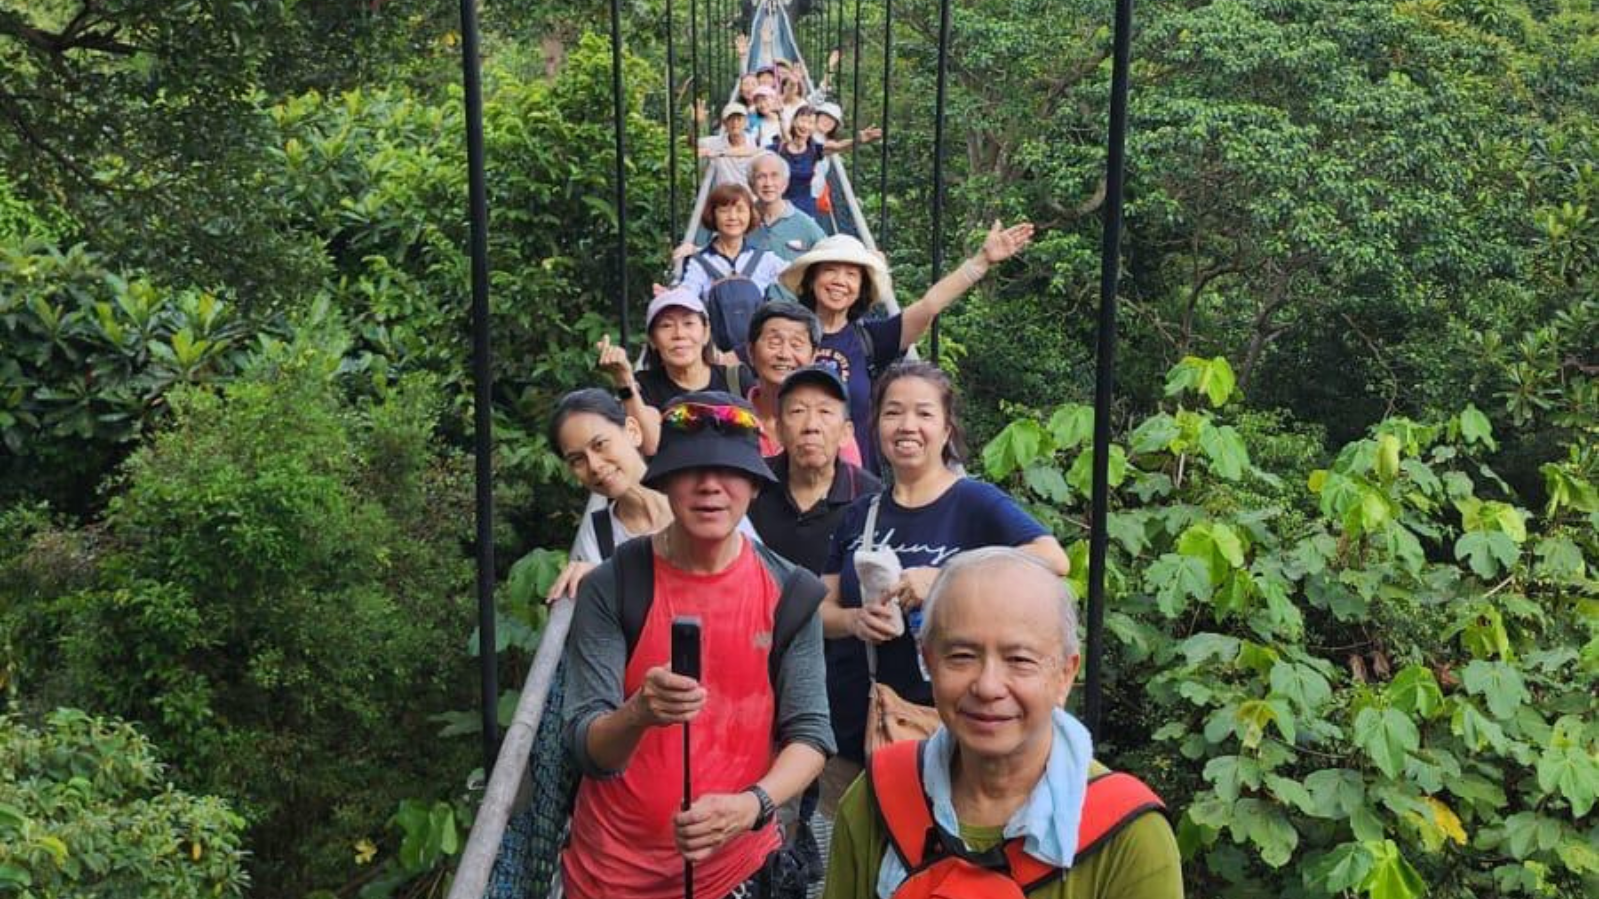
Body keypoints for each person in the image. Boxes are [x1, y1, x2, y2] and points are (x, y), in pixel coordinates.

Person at [561, 391, 834, 899]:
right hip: (609, 874)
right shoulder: (613, 586)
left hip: (737, 870)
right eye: (690, 470)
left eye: (730, 471)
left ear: (755, 485)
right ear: (665, 481)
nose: (710, 486)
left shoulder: (792, 595)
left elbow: (811, 734)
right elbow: (586, 747)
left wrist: (752, 805)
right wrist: (638, 713)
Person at [821, 548, 1183, 899]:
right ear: (929, 662)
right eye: (962, 656)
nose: (988, 686)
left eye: (1019, 660)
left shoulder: (1129, 837)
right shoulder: (878, 797)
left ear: (1065, 674)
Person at [818, 362, 1070, 804]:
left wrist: (947, 576)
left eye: (924, 413)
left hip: (943, 731)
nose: (907, 425)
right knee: (856, 842)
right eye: (893, 412)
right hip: (855, 728)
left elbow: (1052, 559)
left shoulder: (974, 501)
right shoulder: (860, 513)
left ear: (946, 429)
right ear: (876, 426)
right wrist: (855, 621)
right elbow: (822, 608)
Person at [778, 222, 1035, 471]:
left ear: (861, 288)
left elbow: (929, 306)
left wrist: (981, 261)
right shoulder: (785, 336)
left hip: (854, 483)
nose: (839, 281)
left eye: (851, 275)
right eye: (830, 271)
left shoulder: (871, 339)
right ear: (812, 279)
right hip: (789, 473)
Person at [750, 363, 881, 576]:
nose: (811, 425)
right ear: (779, 430)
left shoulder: (871, 498)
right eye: (798, 411)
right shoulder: (752, 484)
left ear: (846, 433)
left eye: (825, 411)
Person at [545, 389, 674, 601]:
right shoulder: (599, 534)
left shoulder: (695, 497)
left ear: (632, 431)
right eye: (577, 460)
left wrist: (609, 576)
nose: (594, 466)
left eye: (600, 445)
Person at [602, 288, 741, 454]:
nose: (679, 334)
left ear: (706, 332)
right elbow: (650, 446)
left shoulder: (736, 380)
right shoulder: (643, 386)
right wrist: (624, 381)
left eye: (688, 323)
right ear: (653, 339)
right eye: (666, 325)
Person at [674, 183, 789, 354]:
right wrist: (672, 296)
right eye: (724, 210)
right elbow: (688, 293)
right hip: (716, 353)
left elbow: (798, 274)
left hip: (759, 352)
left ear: (750, 214)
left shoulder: (765, 259)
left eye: (740, 210)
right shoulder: (699, 262)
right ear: (713, 215)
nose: (733, 217)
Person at [743, 302, 862, 465]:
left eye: (796, 344)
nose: (784, 354)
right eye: (774, 342)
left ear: (813, 357)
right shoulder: (729, 419)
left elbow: (853, 478)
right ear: (751, 352)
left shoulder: (832, 424)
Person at [747, 151, 826, 264]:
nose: (768, 183)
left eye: (774, 176)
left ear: (785, 183)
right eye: (761, 177)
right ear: (751, 184)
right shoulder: (741, 221)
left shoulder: (805, 225)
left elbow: (829, 258)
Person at [769, 106, 827, 219]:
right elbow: (755, 151)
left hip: (804, 209)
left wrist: (856, 140)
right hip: (780, 207)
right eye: (803, 120)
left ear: (814, 127)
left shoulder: (815, 149)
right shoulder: (779, 147)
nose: (805, 126)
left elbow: (837, 146)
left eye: (810, 123)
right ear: (794, 121)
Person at [697, 102, 762, 183]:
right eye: (731, 119)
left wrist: (718, 153)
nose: (735, 123)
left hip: (748, 190)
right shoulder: (716, 142)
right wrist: (696, 124)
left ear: (746, 122)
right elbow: (692, 143)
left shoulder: (755, 140)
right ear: (724, 123)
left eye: (739, 119)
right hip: (725, 190)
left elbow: (750, 151)